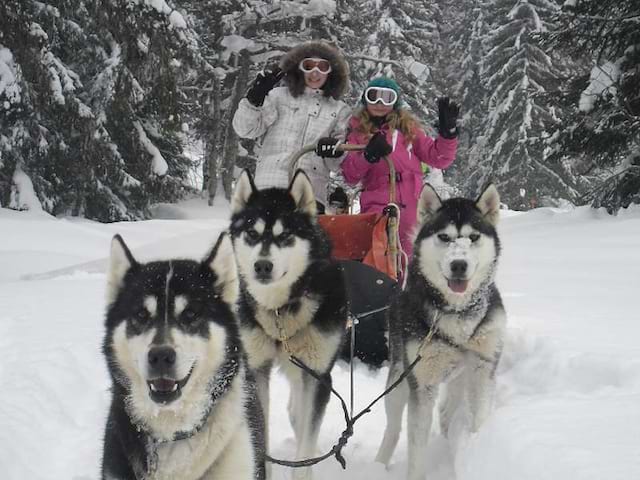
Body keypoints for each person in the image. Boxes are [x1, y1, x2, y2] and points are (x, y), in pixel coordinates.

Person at [341, 76, 459, 256]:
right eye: (374, 96)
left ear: (395, 102)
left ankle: (410, 283)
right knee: (380, 252)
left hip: (412, 202)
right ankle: (380, 280)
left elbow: (439, 158)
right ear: (365, 100)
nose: (380, 103)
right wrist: (368, 156)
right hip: (377, 201)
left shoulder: (408, 129)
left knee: (412, 255)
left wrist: (448, 135)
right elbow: (350, 175)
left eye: (387, 98)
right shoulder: (358, 132)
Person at [232, 41, 351, 213]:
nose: (315, 73)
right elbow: (245, 129)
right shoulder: (278, 97)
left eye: (322, 67)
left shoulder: (339, 109)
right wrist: (253, 101)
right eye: (309, 66)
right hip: (270, 185)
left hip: (309, 192)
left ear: (331, 72)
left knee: (302, 239)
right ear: (299, 68)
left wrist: (336, 151)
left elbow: (336, 164)